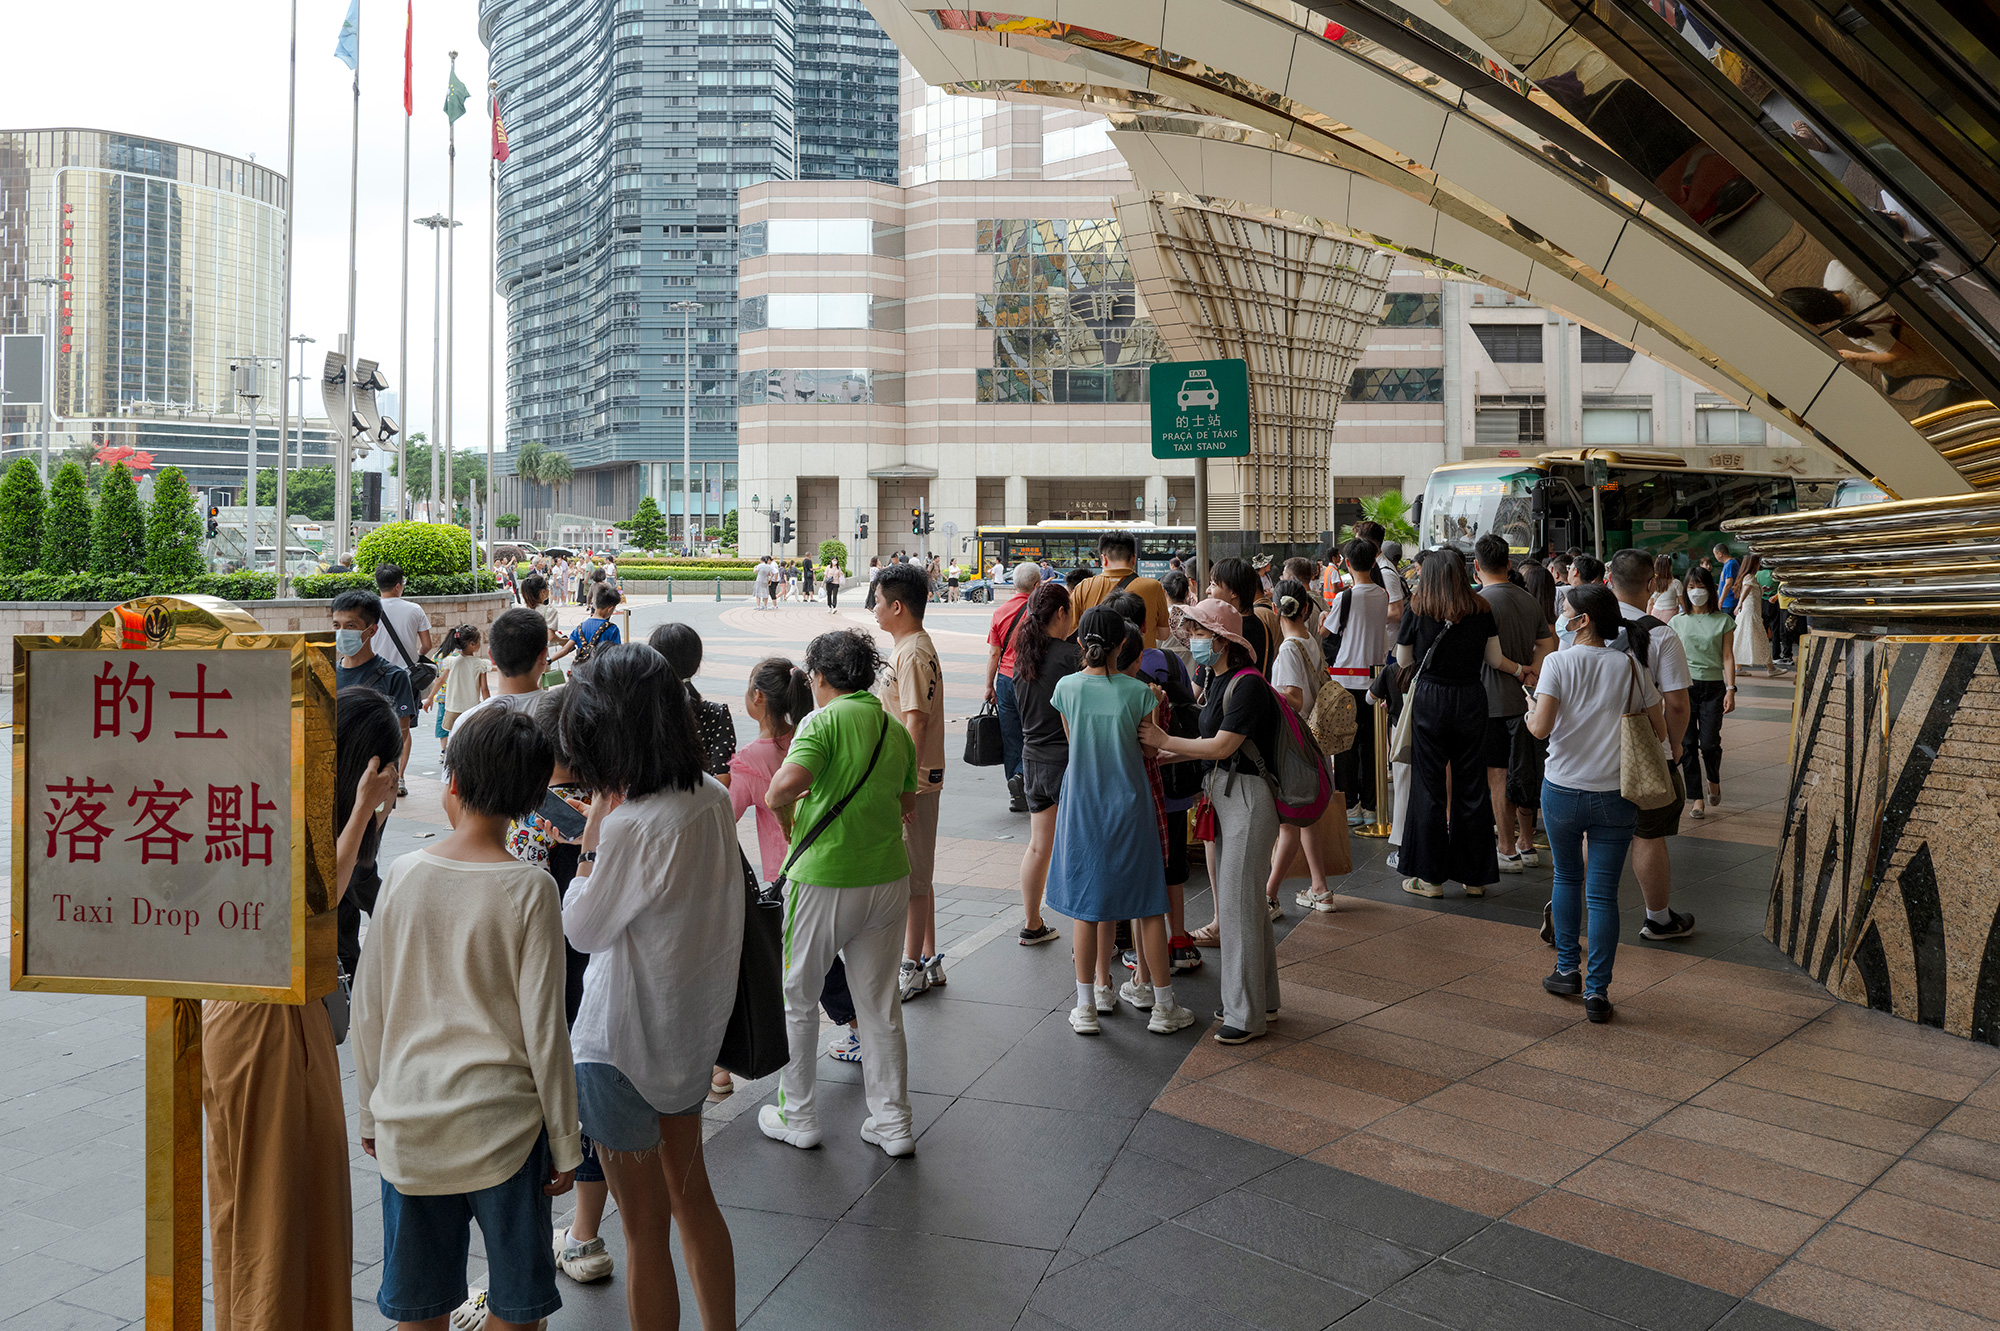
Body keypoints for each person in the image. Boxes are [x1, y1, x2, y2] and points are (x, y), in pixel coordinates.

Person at [353, 706, 580, 1331]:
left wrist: (369, 1108)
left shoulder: (403, 875)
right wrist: (565, 1141)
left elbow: (369, 1009)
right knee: (516, 1306)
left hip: (411, 1124)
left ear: (451, 781)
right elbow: (547, 1031)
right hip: (504, 1130)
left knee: (418, 1309)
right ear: (534, 798)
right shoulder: (531, 889)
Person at [559, 645, 743, 1330]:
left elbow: (581, 928)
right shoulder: (712, 798)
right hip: (688, 1038)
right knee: (694, 1197)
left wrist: (591, 836)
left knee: (643, 1232)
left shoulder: (632, 825)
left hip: (620, 1047)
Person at [204, 688, 399, 1331]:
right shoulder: (282, 804)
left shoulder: (286, 792)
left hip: (282, 1014)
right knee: (274, 1208)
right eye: (387, 772)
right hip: (263, 1020)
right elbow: (313, 903)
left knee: (288, 1202)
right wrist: (364, 810)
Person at [760, 629, 920, 1159]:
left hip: (824, 878)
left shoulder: (821, 722)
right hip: (888, 878)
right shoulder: (893, 729)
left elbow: (779, 788)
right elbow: (907, 806)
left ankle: (798, 1115)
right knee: (879, 1004)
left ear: (820, 677)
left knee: (798, 998)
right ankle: (893, 1123)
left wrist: (791, 818)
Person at [1045, 607, 1194, 1036]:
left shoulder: (1066, 689)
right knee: (1148, 906)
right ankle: (1163, 1007)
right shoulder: (1139, 694)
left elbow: (1074, 742)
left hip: (1082, 804)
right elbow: (1150, 753)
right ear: (1121, 647)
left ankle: (1088, 1005)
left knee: (1086, 907)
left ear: (1081, 644)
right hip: (1130, 805)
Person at [1524, 582, 1666, 1024]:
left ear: (1582, 620)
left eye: (1565, 610)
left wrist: (1530, 709)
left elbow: (1541, 729)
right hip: (1615, 793)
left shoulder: (1557, 663)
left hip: (1562, 789)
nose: (1561, 616)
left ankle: (1567, 970)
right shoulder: (1630, 666)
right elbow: (1658, 729)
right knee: (1602, 896)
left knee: (1566, 877)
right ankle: (1597, 993)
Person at [1145, 600, 1280, 1045]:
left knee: (1240, 910)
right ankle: (1262, 1000)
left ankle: (1246, 1015)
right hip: (1227, 797)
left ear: (1224, 641)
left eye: (1201, 632)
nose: (1194, 638)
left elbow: (1223, 746)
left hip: (1246, 798)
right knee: (1249, 905)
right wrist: (1172, 752)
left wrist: (1167, 740)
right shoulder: (1220, 679)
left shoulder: (1247, 686)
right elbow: (1208, 742)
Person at [1396, 547, 1531, 899]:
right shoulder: (1480, 608)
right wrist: (1520, 670)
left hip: (1430, 699)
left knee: (1429, 787)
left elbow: (1403, 658)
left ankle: (1430, 879)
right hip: (1472, 697)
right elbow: (1493, 658)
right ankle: (1474, 878)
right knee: (1473, 786)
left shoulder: (1418, 607)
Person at [1604, 548, 1697, 943]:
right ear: (1651, 585)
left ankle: (1569, 909)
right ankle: (1658, 919)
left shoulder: (1577, 625)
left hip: (1590, 750)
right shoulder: (1662, 635)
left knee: (1596, 832)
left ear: (1608, 581)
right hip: (1644, 748)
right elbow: (1676, 703)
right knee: (1648, 833)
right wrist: (1673, 748)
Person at [331, 589, 416, 979]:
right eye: (337, 626)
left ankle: (391, 924)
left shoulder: (392, 677)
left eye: (351, 626)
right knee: (345, 882)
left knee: (359, 867)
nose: (342, 633)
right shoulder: (324, 670)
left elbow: (400, 737)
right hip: (329, 792)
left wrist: (388, 795)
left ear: (371, 630)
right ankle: (354, 963)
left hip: (371, 790)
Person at [873, 562, 947, 998]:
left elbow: (915, 723)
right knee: (921, 874)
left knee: (913, 881)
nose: (874, 610)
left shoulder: (913, 653)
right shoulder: (911, 647)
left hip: (914, 781)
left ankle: (911, 966)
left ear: (897, 606)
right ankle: (930, 959)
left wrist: (905, 787)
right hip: (914, 779)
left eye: (878, 602)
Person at [1472, 535, 1555, 875]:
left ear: (1476, 567)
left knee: (1497, 776)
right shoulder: (1529, 601)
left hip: (1490, 702)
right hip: (1526, 703)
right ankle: (1526, 842)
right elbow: (1547, 645)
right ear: (1508, 564)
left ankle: (1505, 848)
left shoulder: (1478, 604)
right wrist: (1531, 672)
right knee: (1526, 770)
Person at [1010, 582, 1078, 945]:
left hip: (1032, 762)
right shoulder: (1071, 656)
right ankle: (1088, 936)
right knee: (1079, 846)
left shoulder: (1023, 660)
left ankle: (1032, 923)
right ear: (1062, 614)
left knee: (1038, 846)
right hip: (1066, 763)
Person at [1265, 579, 1335, 913]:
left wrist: (1265, 691)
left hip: (1296, 744)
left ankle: (1269, 895)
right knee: (1305, 819)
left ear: (1276, 608)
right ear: (1306, 608)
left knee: (1289, 823)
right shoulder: (1309, 640)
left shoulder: (1290, 647)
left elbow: (1294, 697)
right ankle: (1320, 888)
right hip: (1314, 739)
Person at [1325, 539, 1389, 828]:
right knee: (1371, 744)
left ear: (1347, 564)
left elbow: (1327, 633)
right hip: (1374, 679)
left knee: (1345, 744)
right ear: (1373, 563)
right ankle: (1372, 805)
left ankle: (1350, 805)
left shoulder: (1345, 598)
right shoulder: (1383, 595)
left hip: (1344, 679)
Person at [1671, 564, 1736, 823]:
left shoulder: (1724, 621)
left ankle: (1714, 780)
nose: (1696, 591)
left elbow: (1728, 656)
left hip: (1713, 689)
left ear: (1710, 589)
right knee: (1687, 745)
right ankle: (1696, 798)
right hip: (1684, 688)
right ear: (1685, 591)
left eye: (1700, 586)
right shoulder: (1676, 622)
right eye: (1691, 586)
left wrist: (1731, 689)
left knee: (1709, 743)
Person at [372, 563, 434, 796]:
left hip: (374, 676)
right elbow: (427, 645)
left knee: (375, 727)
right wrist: (411, 657)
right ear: (398, 585)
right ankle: (399, 779)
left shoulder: (369, 609)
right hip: (405, 678)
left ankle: (375, 775)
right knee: (404, 730)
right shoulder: (415, 609)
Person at [648, 621, 739, 780]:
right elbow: (723, 778)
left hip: (649, 803)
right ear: (697, 663)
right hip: (704, 802)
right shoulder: (716, 714)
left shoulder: (645, 711)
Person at [985, 561, 1041, 813]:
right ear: (1037, 585)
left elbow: (994, 654)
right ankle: (1024, 781)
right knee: (1034, 733)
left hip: (1005, 680)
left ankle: (1016, 793)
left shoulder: (1000, 612)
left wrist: (989, 686)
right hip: (1032, 679)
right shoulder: (1039, 612)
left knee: (1011, 736)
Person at [1070, 531, 1172, 645]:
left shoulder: (1083, 587)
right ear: (1133, 559)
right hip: (1142, 661)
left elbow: (1069, 629)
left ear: (1104, 559)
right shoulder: (1153, 587)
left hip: (1100, 661)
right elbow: (1164, 634)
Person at [1206, 556, 1275, 668]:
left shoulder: (1230, 632)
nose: (1207, 590)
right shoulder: (1262, 627)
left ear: (1233, 592)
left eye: (1213, 585)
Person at [426, 625, 490, 739]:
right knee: (469, 738)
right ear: (472, 644)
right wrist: (490, 707)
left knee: (453, 737)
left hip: (452, 708)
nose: (480, 643)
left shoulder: (451, 662)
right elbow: (484, 689)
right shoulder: (480, 664)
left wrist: (430, 698)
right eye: (479, 641)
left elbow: (440, 681)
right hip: (471, 709)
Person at [551, 585, 622, 667]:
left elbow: (565, 649)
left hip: (582, 673)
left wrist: (549, 660)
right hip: (601, 672)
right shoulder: (612, 629)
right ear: (610, 609)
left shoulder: (580, 627)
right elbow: (617, 655)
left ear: (595, 603)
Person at [1354, 521, 1406, 628]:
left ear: (1369, 544)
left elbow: (1397, 612)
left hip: (1388, 641)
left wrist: (1363, 618)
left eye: (1358, 542)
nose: (1355, 547)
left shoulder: (1385, 573)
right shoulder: (1375, 567)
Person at [1735, 552, 1776, 676]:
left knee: (1741, 638)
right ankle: (1771, 668)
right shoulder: (1750, 577)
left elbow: (1751, 590)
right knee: (1761, 638)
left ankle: (1738, 668)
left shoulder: (1747, 576)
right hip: (1751, 613)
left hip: (1747, 613)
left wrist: (1763, 589)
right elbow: (1747, 589)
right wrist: (1740, 603)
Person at [1649, 555, 1682, 621]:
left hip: (1655, 612)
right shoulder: (1676, 583)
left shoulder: (1654, 582)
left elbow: (1650, 603)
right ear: (1670, 567)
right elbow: (1681, 601)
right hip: (1670, 614)